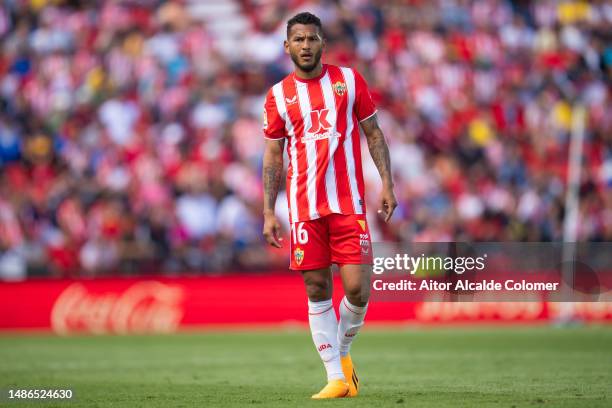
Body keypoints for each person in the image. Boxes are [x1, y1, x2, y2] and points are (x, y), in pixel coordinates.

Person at [261, 12, 397, 399]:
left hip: (348, 203)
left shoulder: (349, 81)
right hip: (303, 208)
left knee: (357, 290)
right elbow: (273, 157)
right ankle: (336, 378)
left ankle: (343, 356)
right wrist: (269, 211)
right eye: (298, 39)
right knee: (317, 286)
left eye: (312, 39)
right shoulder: (278, 96)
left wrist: (387, 183)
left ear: (323, 43)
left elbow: (374, 133)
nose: (306, 45)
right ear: (287, 47)